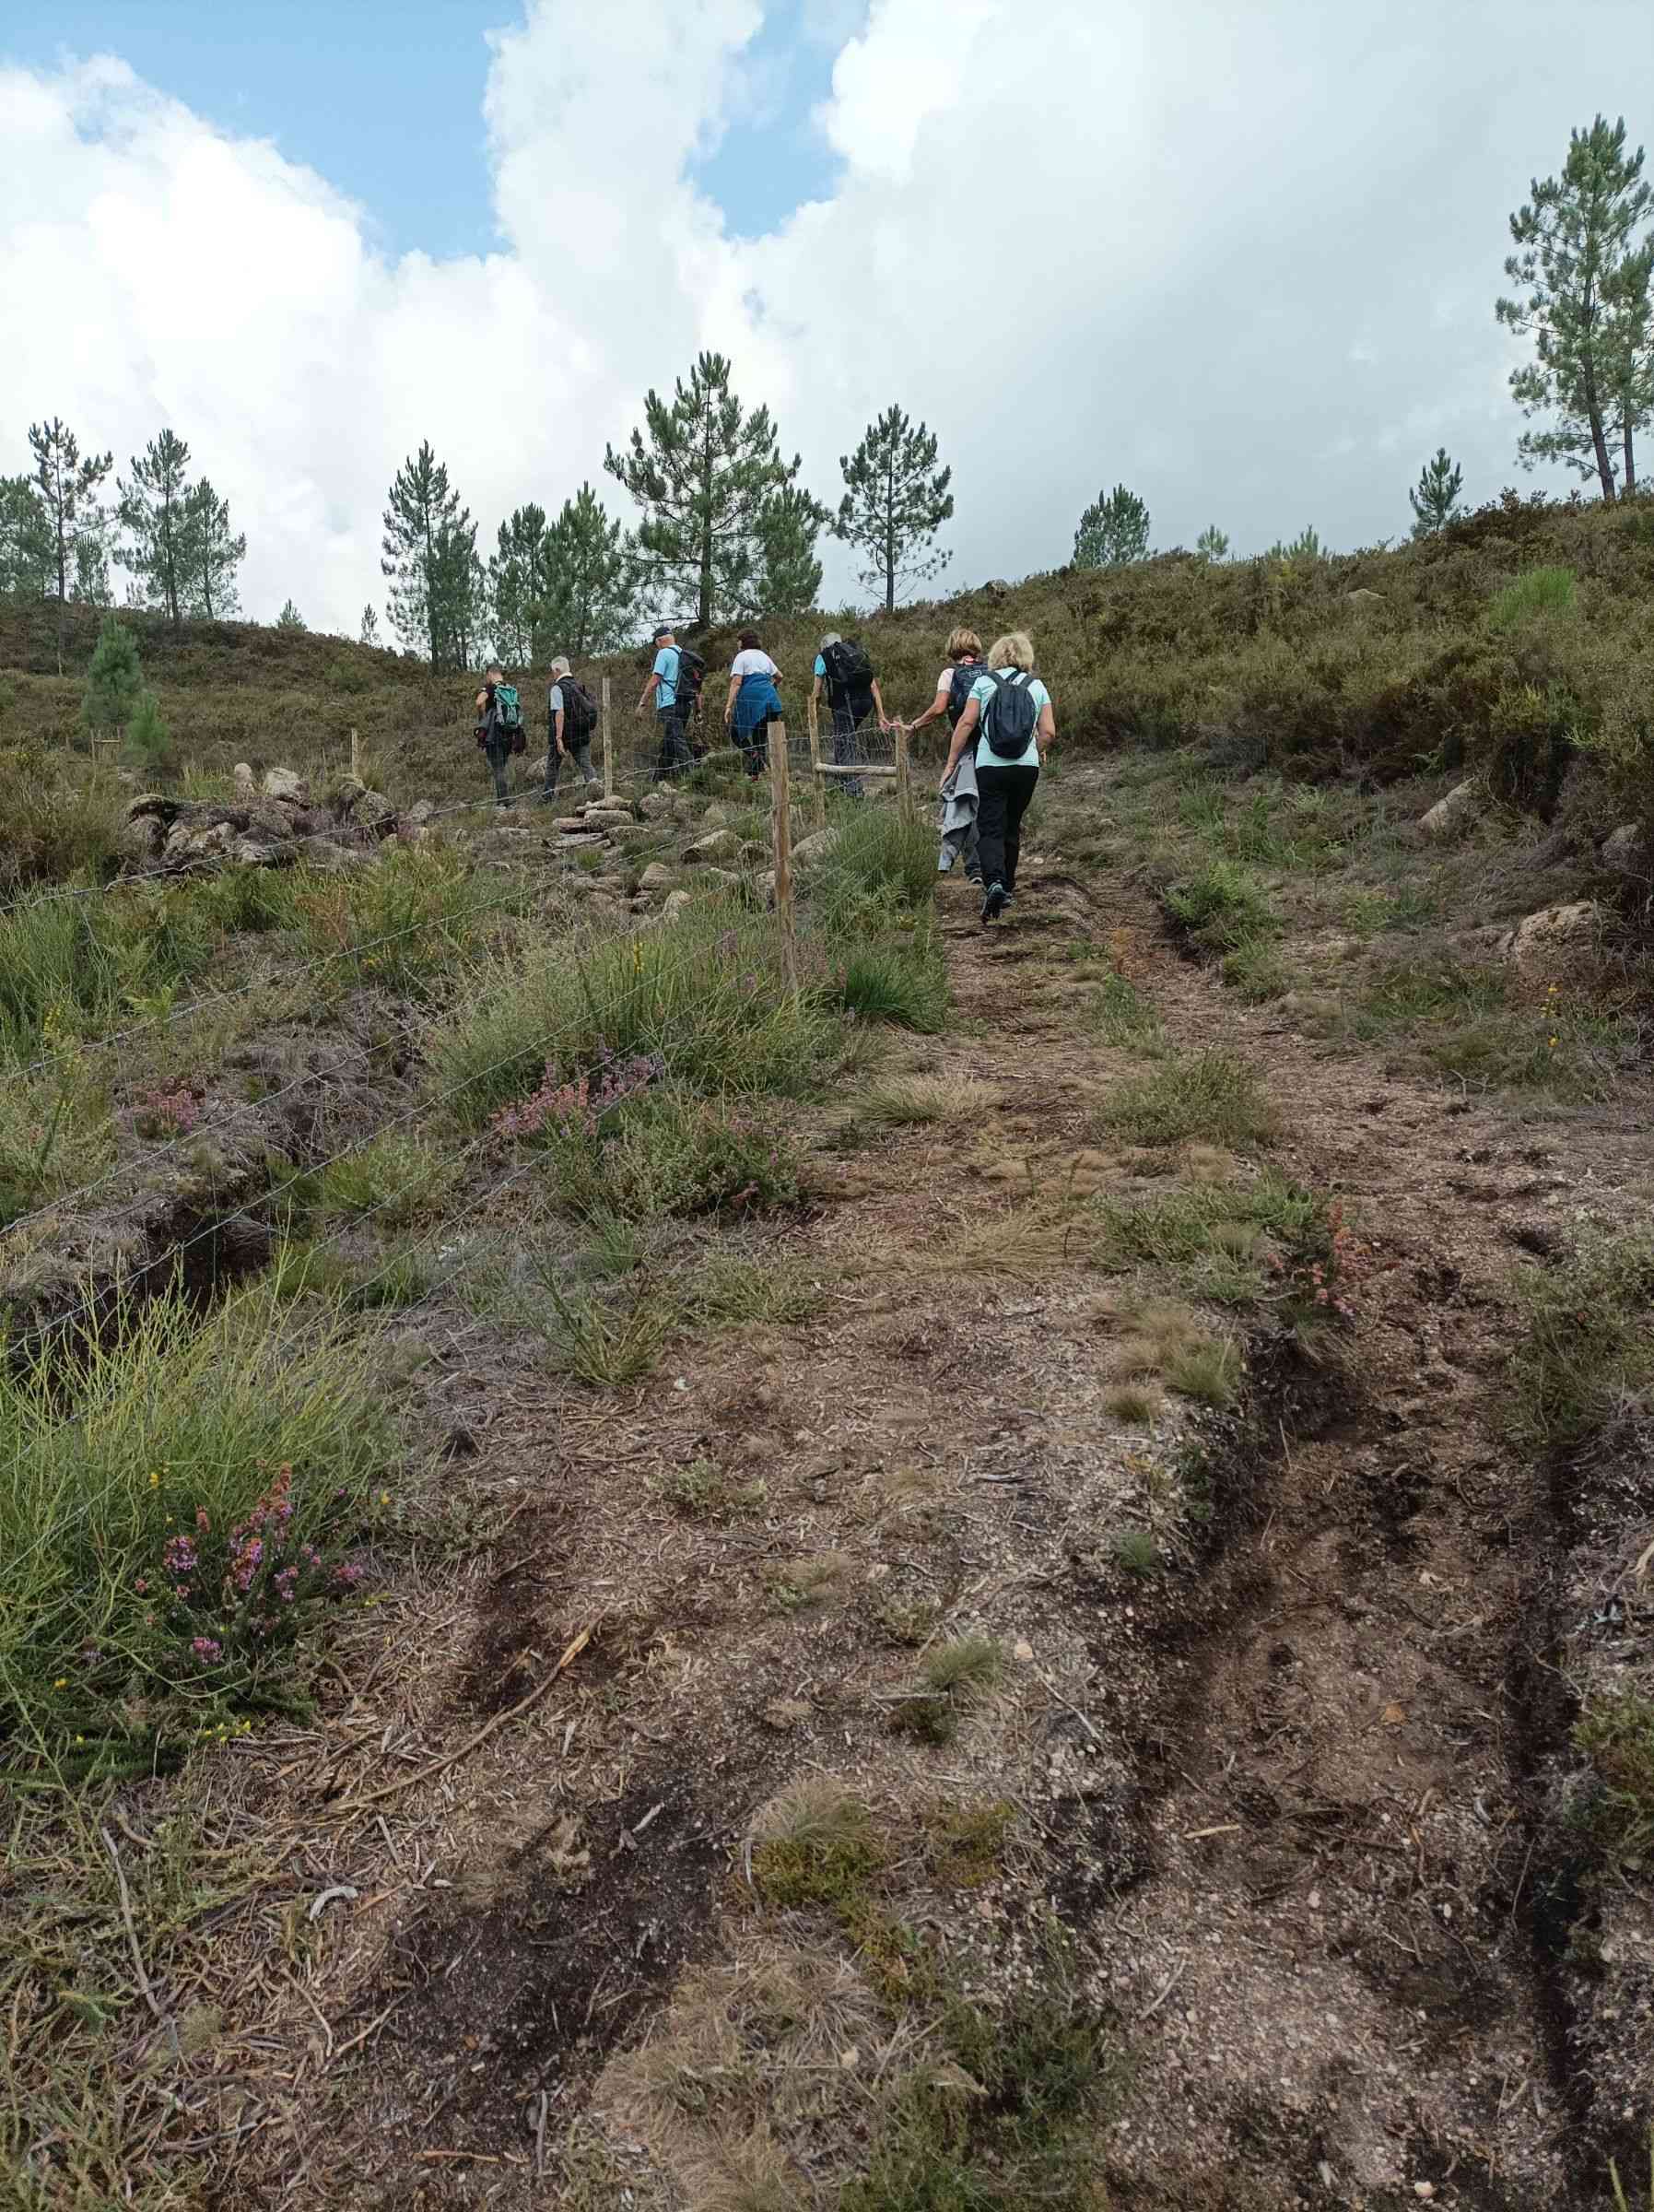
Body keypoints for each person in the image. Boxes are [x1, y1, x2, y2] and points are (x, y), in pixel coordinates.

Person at [939, 629, 1055, 924]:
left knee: (989, 826)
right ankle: (1008, 887)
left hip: (990, 766)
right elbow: (1048, 732)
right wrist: (1036, 750)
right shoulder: (1036, 685)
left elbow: (966, 723)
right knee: (1011, 825)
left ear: (995, 655)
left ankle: (994, 884)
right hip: (1025, 767)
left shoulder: (983, 682)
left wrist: (951, 763)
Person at [903, 627, 988, 881]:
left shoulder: (950, 674)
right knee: (990, 803)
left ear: (952, 649)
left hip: (967, 745)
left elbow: (939, 707)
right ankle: (995, 863)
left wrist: (915, 725)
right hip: (995, 745)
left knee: (966, 801)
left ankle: (975, 867)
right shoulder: (992, 670)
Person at [812, 632, 890, 800]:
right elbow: (874, 687)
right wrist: (881, 715)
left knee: (845, 743)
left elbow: (816, 693)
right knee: (844, 740)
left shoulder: (823, 656)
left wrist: (813, 714)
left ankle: (854, 792)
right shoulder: (855, 652)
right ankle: (841, 783)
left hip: (844, 704)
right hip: (866, 703)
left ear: (823, 645)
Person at [636, 624, 695, 781]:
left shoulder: (663, 653)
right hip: (685, 703)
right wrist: (699, 710)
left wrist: (642, 703)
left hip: (669, 704)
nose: (656, 647)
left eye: (656, 643)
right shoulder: (684, 654)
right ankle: (658, 779)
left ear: (659, 641)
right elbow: (696, 684)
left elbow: (655, 680)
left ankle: (695, 777)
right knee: (669, 743)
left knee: (677, 741)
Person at [722, 630, 783, 779]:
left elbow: (736, 682)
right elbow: (780, 676)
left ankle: (755, 759)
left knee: (736, 733)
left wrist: (728, 706)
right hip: (770, 699)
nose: (737, 643)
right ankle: (758, 773)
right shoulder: (764, 656)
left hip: (752, 700)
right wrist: (772, 687)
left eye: (738, 640)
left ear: (743, 642)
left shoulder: (741, 656)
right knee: (759, 738)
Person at [541, 655, 600, 801]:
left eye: (553, 671)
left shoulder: (557, 688)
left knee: (552, 767)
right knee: (586, 765)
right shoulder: (579, 686)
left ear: (557, 670)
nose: (552, 675)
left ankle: (547, 798)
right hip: (581, 733)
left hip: (564, 735)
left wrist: (558, 738)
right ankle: (597, 793)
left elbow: (559, 713)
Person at [473, 663, 520, 807]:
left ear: (489, 674)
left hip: (494, 733)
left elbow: (479, 702)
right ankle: (501, 800)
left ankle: (504, 800)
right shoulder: (509, 689)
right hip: (509, 733)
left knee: (497, 768)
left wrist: (483, 716)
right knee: (502, 766)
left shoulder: (491, 688)